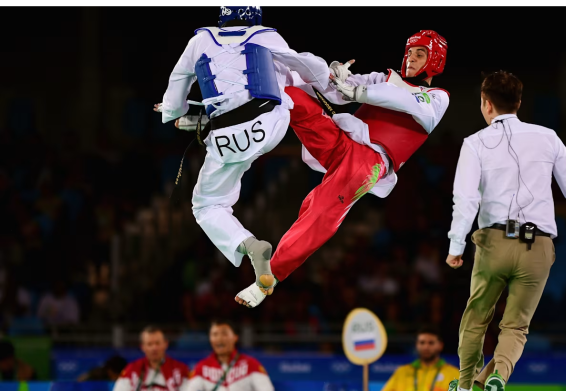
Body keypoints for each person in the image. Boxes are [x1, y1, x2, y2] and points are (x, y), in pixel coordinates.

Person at [236, 30, 450, 308]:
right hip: (340, 141)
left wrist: (361, 92)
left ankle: (270, 278)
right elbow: (336, 92)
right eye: (409, 52)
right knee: (291, 96)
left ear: (435, 60)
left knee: (320, 210)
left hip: (368, 162)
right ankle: (230, 110)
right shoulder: (382, 77)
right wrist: (334, 76)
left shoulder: (437, 97)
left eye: (420, 54)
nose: (410, 58)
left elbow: (404, 101)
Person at [445, 71, 566, 391]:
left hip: (494, 243)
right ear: (519, 103)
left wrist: (456, 246)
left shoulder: (474, 144)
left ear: (486, 104)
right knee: (516, 326)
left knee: (476, 320)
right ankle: (498, 374)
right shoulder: (547, 137)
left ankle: (464, 385)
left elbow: (466, 199)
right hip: (536, 244)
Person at [155, 6, 330, 293]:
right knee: (286, 76)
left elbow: (175, 94)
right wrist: (327, 76)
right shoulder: (266, 35)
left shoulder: (199, 41)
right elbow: (309, 67)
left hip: (227, 138)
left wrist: (174, 112)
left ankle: (249, 244)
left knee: (207, 206)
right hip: (271, 124)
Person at [186, 320, 272, 391]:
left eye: (224, 334)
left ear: (235, 337)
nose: (219, 338)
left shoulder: (251, 365)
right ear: (210, 338)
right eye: (215, 334)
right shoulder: (201, 368)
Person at [113, 326, 190, 391]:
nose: (154, 348)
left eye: (157, 343)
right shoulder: (132, 369)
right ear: (142, 347)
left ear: (166, 344)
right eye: (149, 344)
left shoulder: (181, 369)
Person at [382, 327, 459, 391]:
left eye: (431, 343)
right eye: (422, 342)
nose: (426, 347)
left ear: (440, 345)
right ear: (416, 345)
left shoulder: (454, 374)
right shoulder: (401, 372)